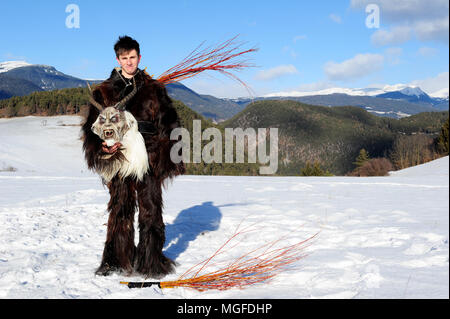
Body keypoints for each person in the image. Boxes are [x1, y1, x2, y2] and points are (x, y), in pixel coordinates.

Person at [81, 35, 184, 277]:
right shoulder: (104, 92)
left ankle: (150, 263)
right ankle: (116, 260)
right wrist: (104, 150)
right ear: (118, 59)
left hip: (150, 156)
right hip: (119, 158)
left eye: (133, 57)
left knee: (150, 208)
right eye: (125, 58)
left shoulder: (154, 89)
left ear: (140, 57)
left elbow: (170, 124)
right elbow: (91, 129)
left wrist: (165, 157)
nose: (129, 62)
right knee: (120, 208)